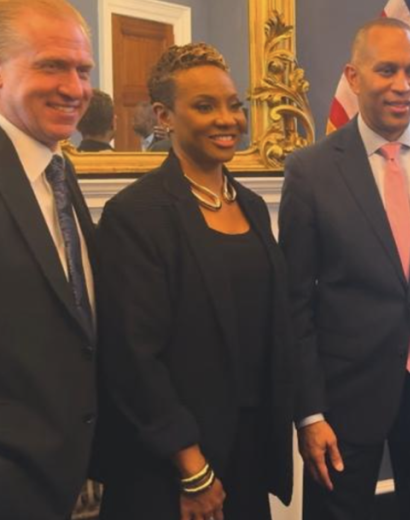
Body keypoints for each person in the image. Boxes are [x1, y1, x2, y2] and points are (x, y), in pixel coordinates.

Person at [278, 17, 410, 520]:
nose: (403, 86)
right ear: (354, 78)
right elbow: (295, 303)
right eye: (387, 70)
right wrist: (308, 412)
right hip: (343, 400)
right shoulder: (310, 172)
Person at [94, 43, 296, 520]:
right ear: (164, 115)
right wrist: (193, 468)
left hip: (246, 450)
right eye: (205, 106)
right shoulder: (136, 214)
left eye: (233, 105)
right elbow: (133, 359)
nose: (227, 119)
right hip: (171, 465)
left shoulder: (249, 204)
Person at [0, 0, 97, 520]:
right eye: (53, 66)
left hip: (64, 477)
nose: (74, 88)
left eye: (83, 69)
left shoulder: (59, 168)